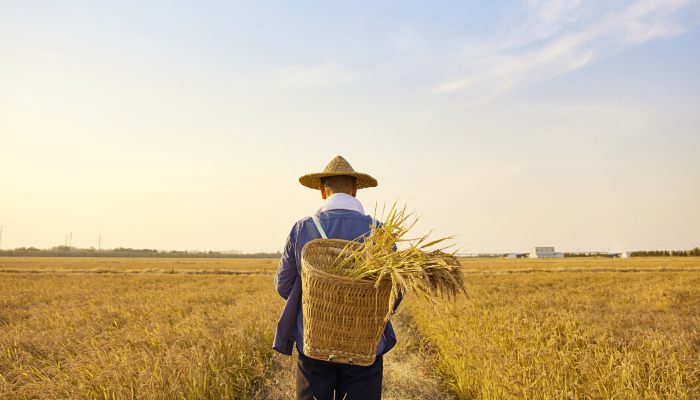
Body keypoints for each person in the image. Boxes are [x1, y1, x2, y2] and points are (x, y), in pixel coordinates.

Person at [273, 155, 401, 400]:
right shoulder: (380, 232)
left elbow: (284, 285)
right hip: (365, 345)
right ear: (355, 190)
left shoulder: (303, 228)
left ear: (322, 191)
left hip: (315, 343)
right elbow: (395, 290)